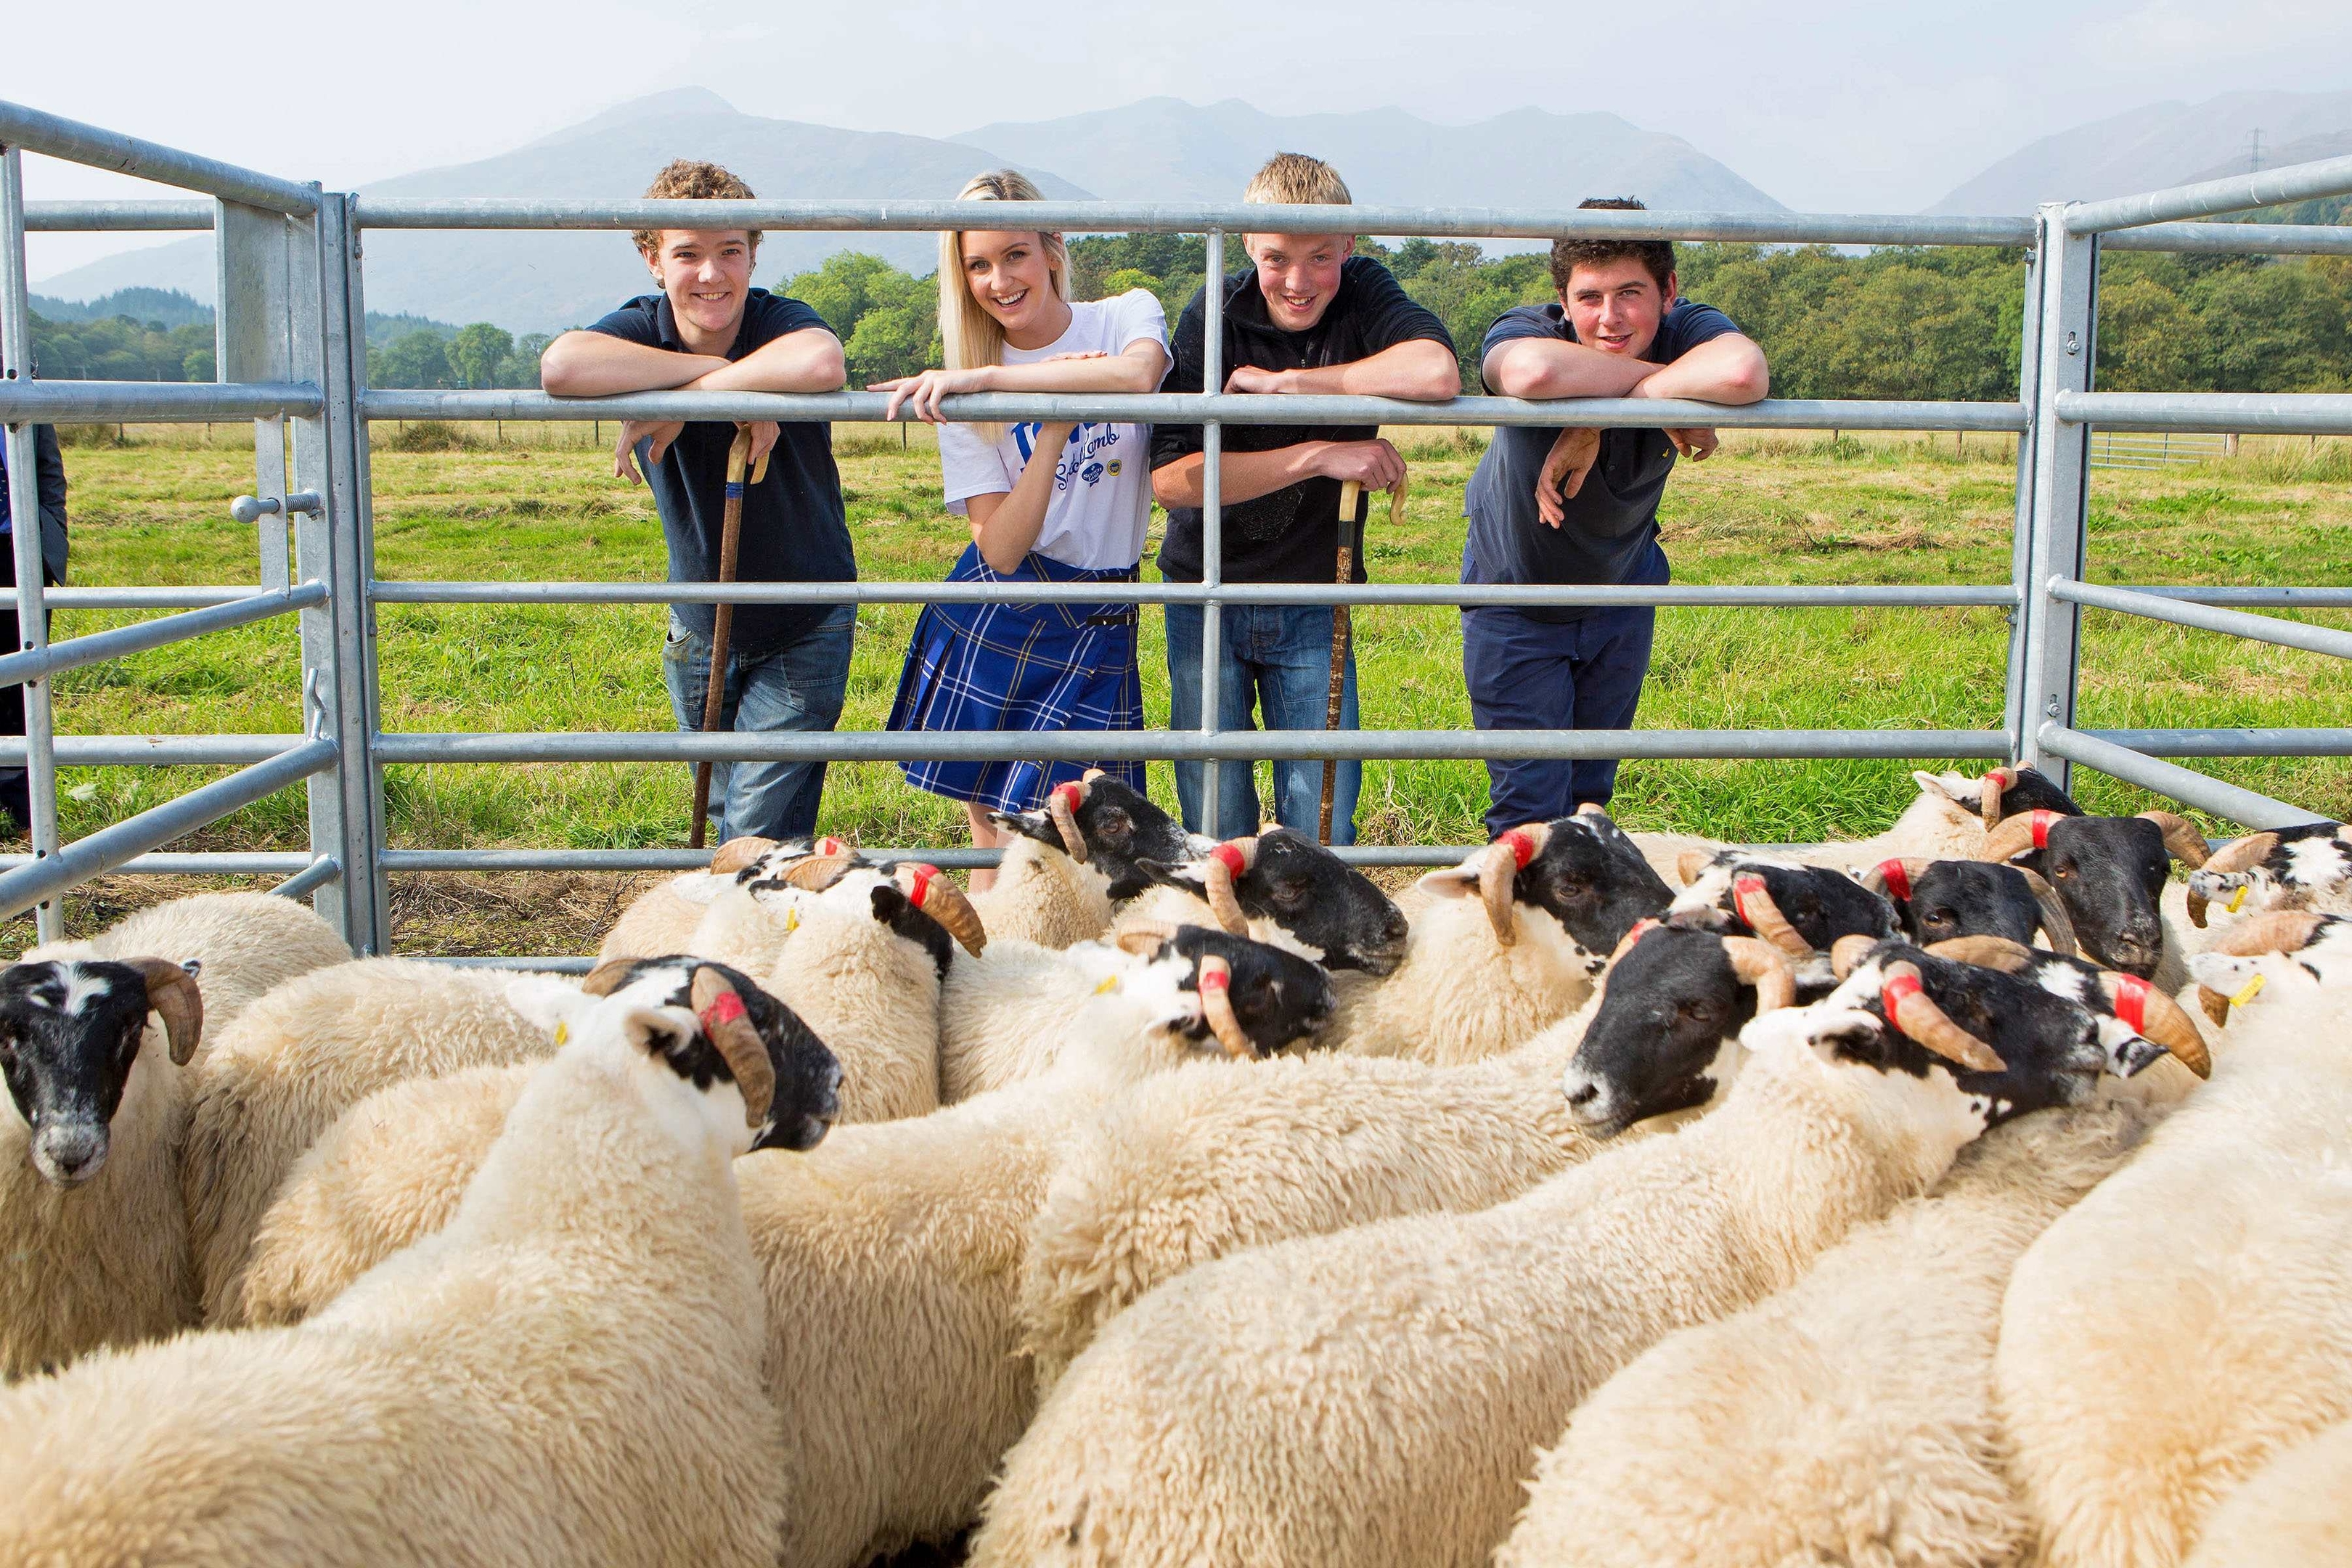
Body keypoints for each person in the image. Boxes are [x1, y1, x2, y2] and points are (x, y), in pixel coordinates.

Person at [539, 159, 855, 844]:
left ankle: (746, 943)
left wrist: (691, 399)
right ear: (653, 260)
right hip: (698, 629)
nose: (711, 275)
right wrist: (716, 377)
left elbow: (822, 364)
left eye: (729, 253)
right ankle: (771, 945)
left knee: (749, 834)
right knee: (729, 823)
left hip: (801, 622)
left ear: (752, 256)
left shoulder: (777, 320)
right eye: (687, 254)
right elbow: (562, 367)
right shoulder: (641, 327)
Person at [869, 172, 1169, 891]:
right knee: (1000, 855)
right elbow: (998, 548)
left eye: (1015, 256)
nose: (1000, 281)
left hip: (1102, 609)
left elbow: (1139, 377)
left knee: (1095, 854)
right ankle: (990, 990)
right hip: (1007, 609)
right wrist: (1054, 426)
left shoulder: (1124, 313)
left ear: (1053, 249)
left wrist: (995, 385)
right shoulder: (960, 389)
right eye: (978, 265)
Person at [1151, 153, 1458, 844]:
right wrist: (1317, 456)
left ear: (1350, 245)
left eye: (1321, 256)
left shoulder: (1364, 291)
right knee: (1214, 814)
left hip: (1318, 590)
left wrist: (1291, 383)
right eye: (1276, 258)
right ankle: (1226, 943)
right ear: (1247, 250)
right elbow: (1172, 481)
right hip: (1206, 589)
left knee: (1319, 814)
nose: (1298, 281)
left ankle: (1311, 951)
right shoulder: (1215, 307)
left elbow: (1435, 370)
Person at [1462, 196, 1768, 835]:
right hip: (1516, 600)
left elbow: (1742, 372)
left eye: (1631, 293)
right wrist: (1670, 390)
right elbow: (1531, 371)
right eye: (1590, 297)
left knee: (1589, 802)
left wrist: (1598, 414)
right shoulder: (1532, 329)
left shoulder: (1693, 328)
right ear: (1562, 300)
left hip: (1620, 595)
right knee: (1528, 812)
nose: (1609, 318)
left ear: (1670, 291)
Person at [0, 419, 68, 836]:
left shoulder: (23, 385)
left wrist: (52, 530)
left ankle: (24, 801)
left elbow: (49, 473)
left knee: (25, 675)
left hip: (21, 547)